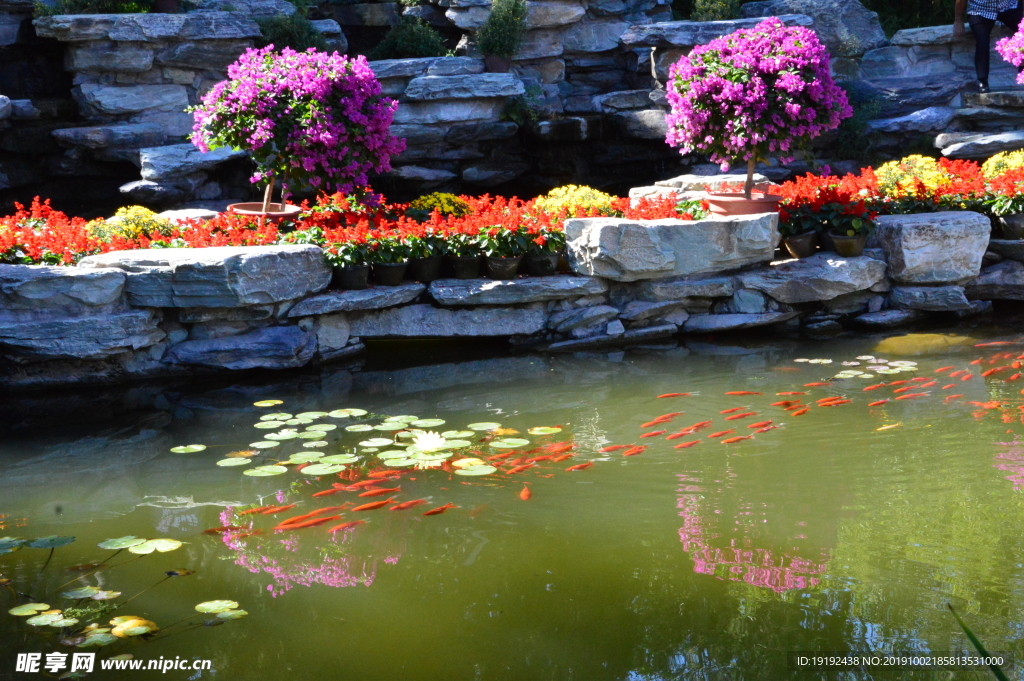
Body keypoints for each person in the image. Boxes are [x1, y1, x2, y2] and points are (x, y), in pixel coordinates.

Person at [954, 0, 1024, 92]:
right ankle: (982, 81)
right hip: (980, 10)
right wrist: (958, 20)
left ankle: (1022, 72)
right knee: (982, 39)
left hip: (1008, 6)